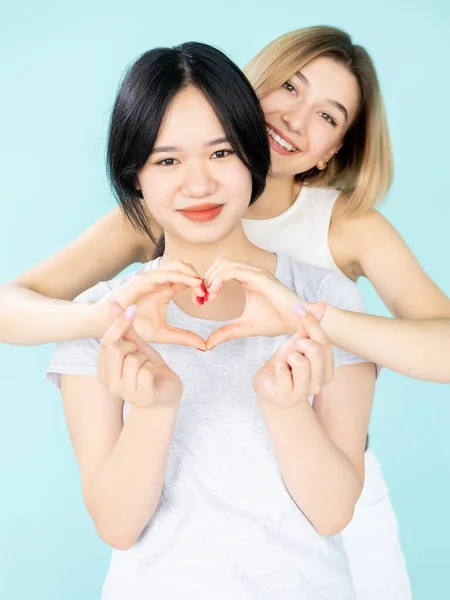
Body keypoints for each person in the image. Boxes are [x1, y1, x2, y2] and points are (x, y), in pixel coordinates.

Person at [3, 25, 448, 598]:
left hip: (321, 513)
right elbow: (115, 523)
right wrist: (107, 326)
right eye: (289, 87)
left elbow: (336, 507)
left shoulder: (340, 245)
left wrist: (305, 328)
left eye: (328, 116)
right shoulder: (139, 239)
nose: (198, 182)